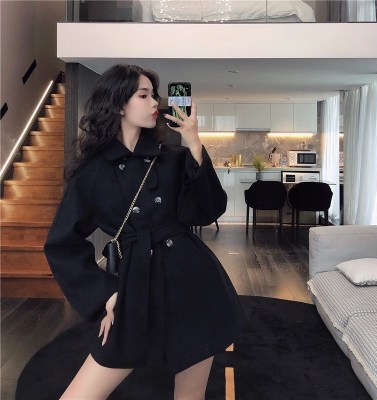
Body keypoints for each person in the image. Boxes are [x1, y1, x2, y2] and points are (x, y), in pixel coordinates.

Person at [44, 64, 246, 400]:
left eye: (155, 95)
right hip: (135, 286)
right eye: (144, 95)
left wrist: (194, 143)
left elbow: (207, 210)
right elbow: (61, 244)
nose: (155, 103)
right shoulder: (93, 172)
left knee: (189, 395)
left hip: (192, 282)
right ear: (119, 104)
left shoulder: (174, 158)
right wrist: (104, 294)